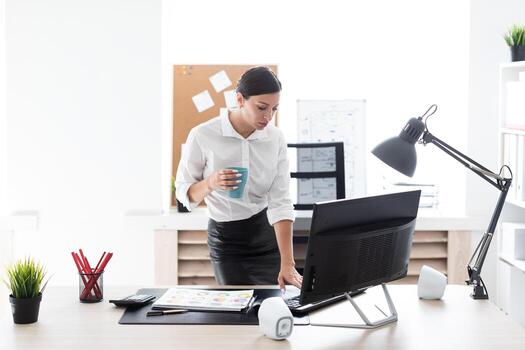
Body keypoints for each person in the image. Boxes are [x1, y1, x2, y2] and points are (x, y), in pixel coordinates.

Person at [176, 66, 302, 290]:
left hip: (266, 236)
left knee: (274, 306)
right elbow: (185, 194)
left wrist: (288, 263)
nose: (268, 117)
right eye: (262, 107)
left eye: (274, 109)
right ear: (240, 99)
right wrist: (211, 183)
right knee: (239, 312)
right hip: (228, 242)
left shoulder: (275, 138)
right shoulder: (203, 134)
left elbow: (280, 200)